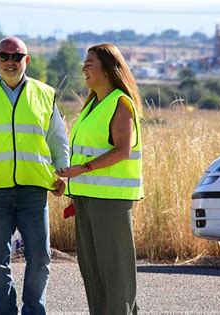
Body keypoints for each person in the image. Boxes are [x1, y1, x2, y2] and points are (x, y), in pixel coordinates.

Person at [0, 36, 69, 315]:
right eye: (4, 56)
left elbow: (57, 138)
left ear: (26, 60)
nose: (10, 62)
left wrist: (62, 171)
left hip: (34, 187)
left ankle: (33, 311)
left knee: (41, 257)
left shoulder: (44, 93)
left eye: (16, 57)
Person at [56, 43, 144, 315]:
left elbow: (122, 150)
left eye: (90, 63)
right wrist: (67, 180)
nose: (84, 68)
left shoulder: (120, 102)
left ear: (107, 70)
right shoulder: (93, 104)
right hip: (86, 198)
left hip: (110, 202)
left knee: (115, 273)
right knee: (93, 271)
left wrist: (84, 169)